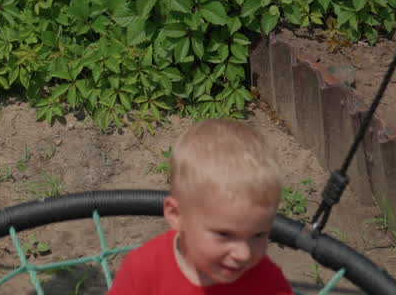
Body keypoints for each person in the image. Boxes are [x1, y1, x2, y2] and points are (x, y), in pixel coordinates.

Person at [107, 119, 294, 294]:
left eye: (259, 235)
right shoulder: (143, 269)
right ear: (176, 215)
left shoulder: (267, 282)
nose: (244, 254)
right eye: (224, 234)